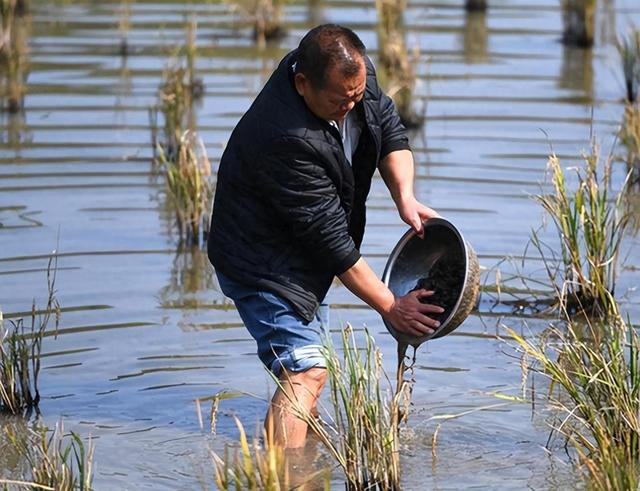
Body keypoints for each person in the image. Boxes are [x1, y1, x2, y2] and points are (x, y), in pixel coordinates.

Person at [208, 24, 442, 448]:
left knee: (308, 373)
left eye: (357, 94)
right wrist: (392, 306)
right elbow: (333, 243)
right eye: (340, 101)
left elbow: (388, 127)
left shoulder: (351, 76)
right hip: (263, 263)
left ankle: (304, 465)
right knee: (306, 370)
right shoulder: (286, 138)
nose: (351, 104)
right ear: (302, 84)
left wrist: (404, 195)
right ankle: (279, 477)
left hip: (304, 255)